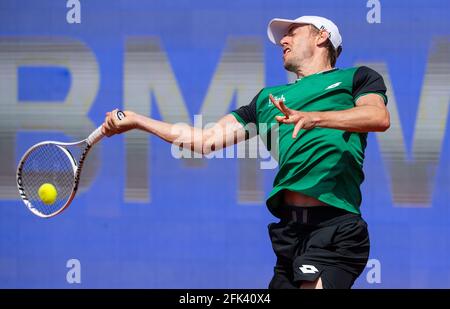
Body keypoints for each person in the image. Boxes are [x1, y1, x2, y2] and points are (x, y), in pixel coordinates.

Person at [102, 15, 390, 289]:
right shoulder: (267, 100)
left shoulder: (357, 78)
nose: (283, 41)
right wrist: (138, 120)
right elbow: (204, 140)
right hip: (290, 233)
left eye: (292, 32)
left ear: (322, 36)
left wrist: (315, 117)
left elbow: (377, 117)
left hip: (335, 229)